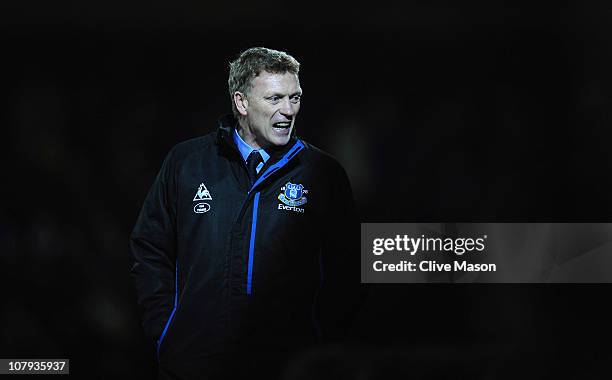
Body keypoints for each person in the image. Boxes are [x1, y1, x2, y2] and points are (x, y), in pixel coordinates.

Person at [129, 47, 360, 379]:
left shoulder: (322, 173)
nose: (288, 110)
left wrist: (320, 341)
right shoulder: (186, 162)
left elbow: (348, 268)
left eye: (295, 98)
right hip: (194, 365)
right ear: (241, 102)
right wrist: (166, 331)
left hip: (288, 366)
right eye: (275, 98)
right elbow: (150, 249)